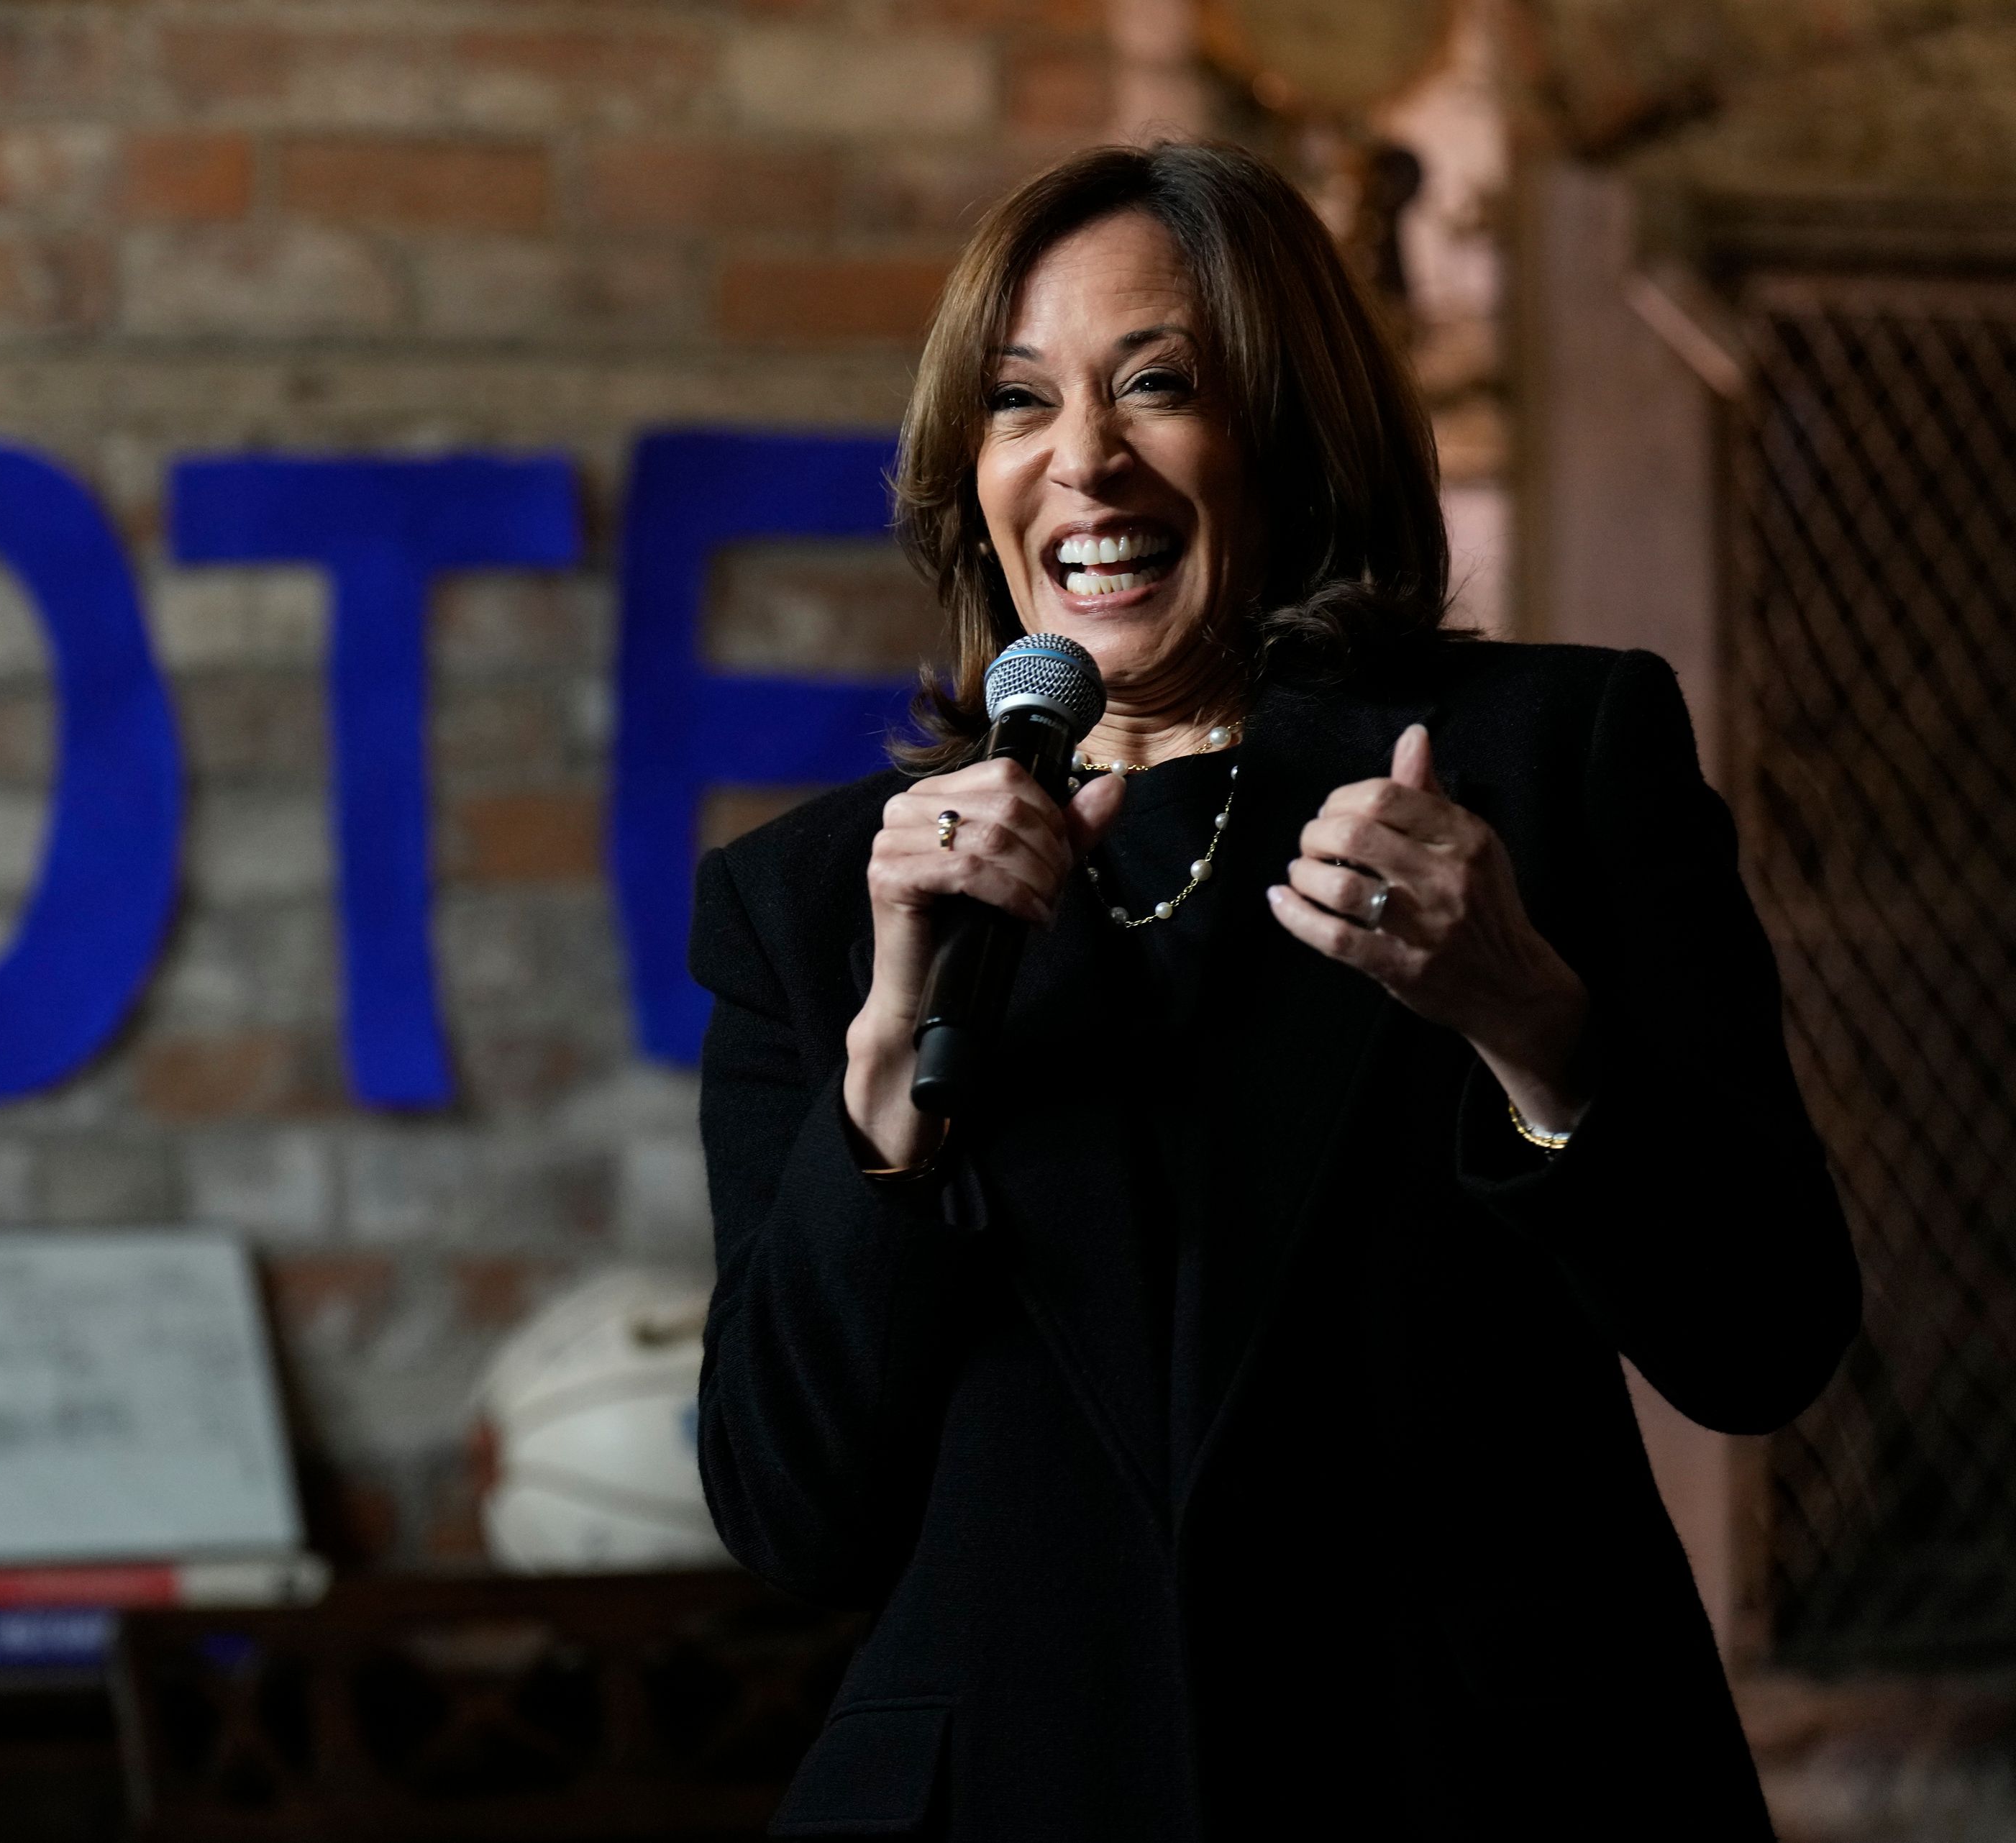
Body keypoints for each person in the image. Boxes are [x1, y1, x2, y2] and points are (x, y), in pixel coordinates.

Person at [689, 142, 1857, 1840]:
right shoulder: (814, 905)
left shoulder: (1542, 765)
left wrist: (1529, 1019)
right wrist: (884, 1081)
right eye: (1017, 405)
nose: (1081, 459)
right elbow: (790, 1512)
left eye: (1156, 384)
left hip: (1465, 1782)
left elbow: (1763, 1337)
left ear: (1291, 433)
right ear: (968, 474)